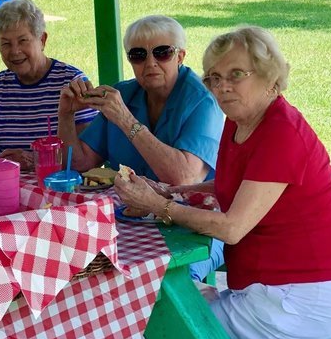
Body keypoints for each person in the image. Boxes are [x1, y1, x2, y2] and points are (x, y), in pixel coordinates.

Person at [115, 26, 331, 339]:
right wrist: (170, 192)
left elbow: (232, 228)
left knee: (139, 332)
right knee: (158, 307)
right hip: (275, 292)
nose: (222, 87)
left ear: (271, 77)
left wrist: (158, 205)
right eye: (213, 78)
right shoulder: (242, 121)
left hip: (302, 303)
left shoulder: (281, 132)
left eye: (236, 74)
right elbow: (234, 187)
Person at [60, 15, 224, 280]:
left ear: (180, 56)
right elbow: (79, 164)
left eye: (162, 53)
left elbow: (183, 177)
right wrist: (65, 116)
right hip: (131, 220)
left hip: (195, 224)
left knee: (167, 282)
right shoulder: (123, 94)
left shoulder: (201, 101)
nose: (150, 63)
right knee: (82, 268)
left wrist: (127, 121)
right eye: (138, 55)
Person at [0, 0, 97, 170]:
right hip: (6, 186)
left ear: (42, 40)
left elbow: (83, 159)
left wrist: (38, 159)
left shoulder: (72, 83)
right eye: (6, 44)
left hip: (57, 188)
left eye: (23, 41)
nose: (15, 51)